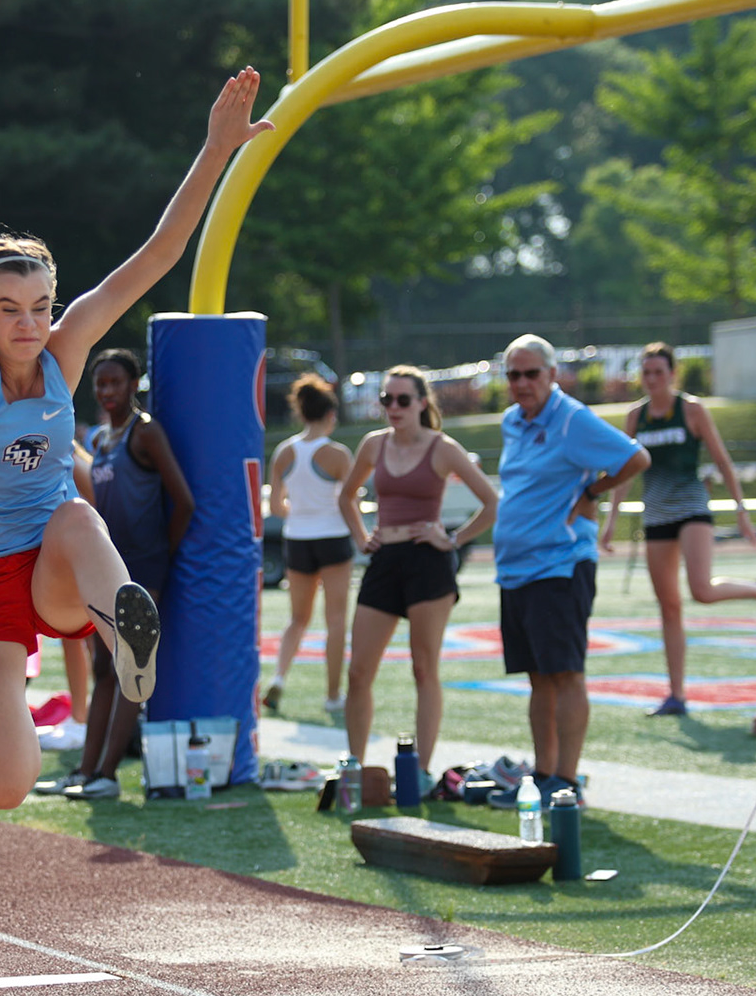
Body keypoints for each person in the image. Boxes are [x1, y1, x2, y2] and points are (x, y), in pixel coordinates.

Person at [0, 68, 271, 810]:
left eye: (41, 306)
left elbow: (155, 257)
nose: (30, 323)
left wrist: (217, 149)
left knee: (75, 513)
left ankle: (126, 626)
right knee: (3, 786)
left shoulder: (64, 353)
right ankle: (29, 705)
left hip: (57, 566)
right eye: (10, 309)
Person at [491, 335, 650, 802]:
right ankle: (544, 777)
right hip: (516, 568)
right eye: (513, 374)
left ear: (552, 374)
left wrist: (593, 493)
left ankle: (567, 781)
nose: (522, 383)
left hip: (559, 565)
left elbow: (635, 457)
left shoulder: (572, 419)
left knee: (566, 674)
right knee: (537, 677)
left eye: (531, 373)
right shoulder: (511, 421)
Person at [602, 343, 756, 716]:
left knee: (700, 590)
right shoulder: (636, 417)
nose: (652, 379)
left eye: (659, 372)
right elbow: (624, 472)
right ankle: (677, 694)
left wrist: (741, 510)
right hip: (656, 515)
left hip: (691, 510)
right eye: (647, 372)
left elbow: (721, 459)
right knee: (669, 607)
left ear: (672, 374)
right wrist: (611, 519)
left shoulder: (691, 409)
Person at [337, 367, 497, 778]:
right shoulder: (374, 444)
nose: (393, 407)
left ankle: (421, 772)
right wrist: (361, 536)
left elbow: (491, 502)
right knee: (358, 673)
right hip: (385, 561)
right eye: (386, 399)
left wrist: (454, 538)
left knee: (423, 668)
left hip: (428, 562)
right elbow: (346, 496)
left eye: (402, 400)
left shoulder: (442, 447)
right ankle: (355, 767)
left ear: (422, 403)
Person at [51, 348, 194, 800]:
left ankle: (108, 776)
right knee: (103, 667)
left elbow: (184, 501)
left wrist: (160, 554)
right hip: (108, 565)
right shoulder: (100, 440)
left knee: (130, 666)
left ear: (134, 385)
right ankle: (85, 770)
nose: (107, 391)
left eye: (116, 382)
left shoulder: (145, 432)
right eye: (101, 384)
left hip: (144, 567)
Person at [263, 374, 354, 717]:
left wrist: (298, 512)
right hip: (332, 538)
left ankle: (280, 678)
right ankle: (332, 696)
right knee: (335, 621)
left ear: (301, 413)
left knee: (296, 619)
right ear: (330, 414)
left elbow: (275, 508)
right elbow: (351, 502)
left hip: (297, 540)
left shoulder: (284, 452)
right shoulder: (338, 454)